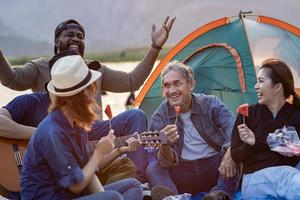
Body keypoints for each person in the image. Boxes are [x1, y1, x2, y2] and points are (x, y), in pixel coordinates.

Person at [0, 50, 150, 184]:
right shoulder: (31, 103)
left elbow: (85, 173)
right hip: (42, 183)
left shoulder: (76, 121)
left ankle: (140, 184)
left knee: (130, 180)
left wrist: (117, 150)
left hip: (73, 172)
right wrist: (38, 135)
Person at [0, 17, 175, 116]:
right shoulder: (41, 67)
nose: (76, 38)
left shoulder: (95, 69)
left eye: (80, 36)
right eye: (69, 34)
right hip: (58, 142)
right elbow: (11, 80)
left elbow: (132, 82)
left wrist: (155, 47)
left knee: (135, 115)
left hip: (95, 138)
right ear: (56, 41)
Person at [146, 61, 241, 200]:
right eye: (167, 86)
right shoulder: (159, 118)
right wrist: (165, 145)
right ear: (163, 90)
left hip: (214, 167)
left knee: (236, 154)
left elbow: (234, 128)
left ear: (191, 85)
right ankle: (173, 198)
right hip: (183, 173)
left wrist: (230, 152)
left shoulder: (210, 103)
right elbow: (164, 162)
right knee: (153, 168)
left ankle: (219, 194)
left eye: (177, 83)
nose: (172, 91)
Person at [230, 58, 300, 199]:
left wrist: (295, 151)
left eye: (261, 81)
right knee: (286, 175)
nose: (256, 86)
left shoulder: (296, 115)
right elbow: (235, 155)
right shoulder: (247, 114)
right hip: (255, 179)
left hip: (293, 175)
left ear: (277, 87)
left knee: (290, 175)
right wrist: (250, 144)